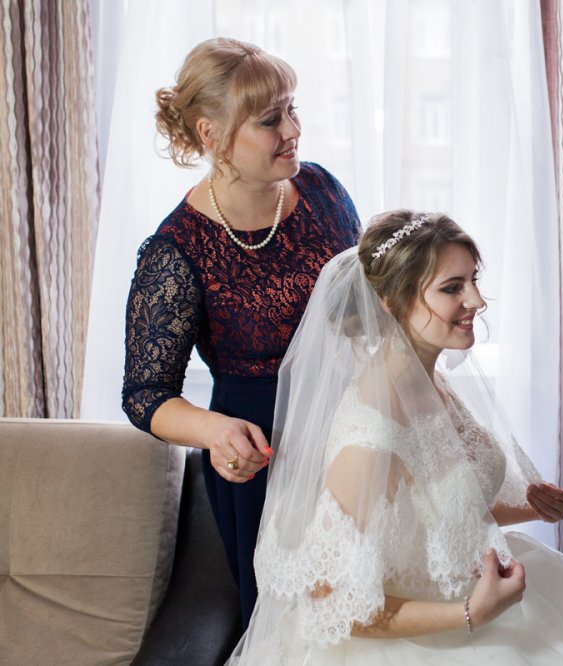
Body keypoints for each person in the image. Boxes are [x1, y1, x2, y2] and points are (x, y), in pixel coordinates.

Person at [229, 211, 563, 664]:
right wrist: (471, 613)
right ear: (390, 301)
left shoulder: (423, 377)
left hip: (471, 587)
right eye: (452, 288)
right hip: (414, 636)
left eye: (473, 280)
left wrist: (532, 509)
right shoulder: (371, 436)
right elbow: (327, 598)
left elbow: (429, 516)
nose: (477, 300)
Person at [121, 37, 360, 628]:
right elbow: (145, 395)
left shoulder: (324, 190)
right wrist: (216, 431)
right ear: (211, 134)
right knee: (300, 630)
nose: (293, 130)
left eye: (292, 109)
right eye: (270, 119)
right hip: (265, 459)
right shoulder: (176, 250)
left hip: (358, 436)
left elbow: (364, 313)